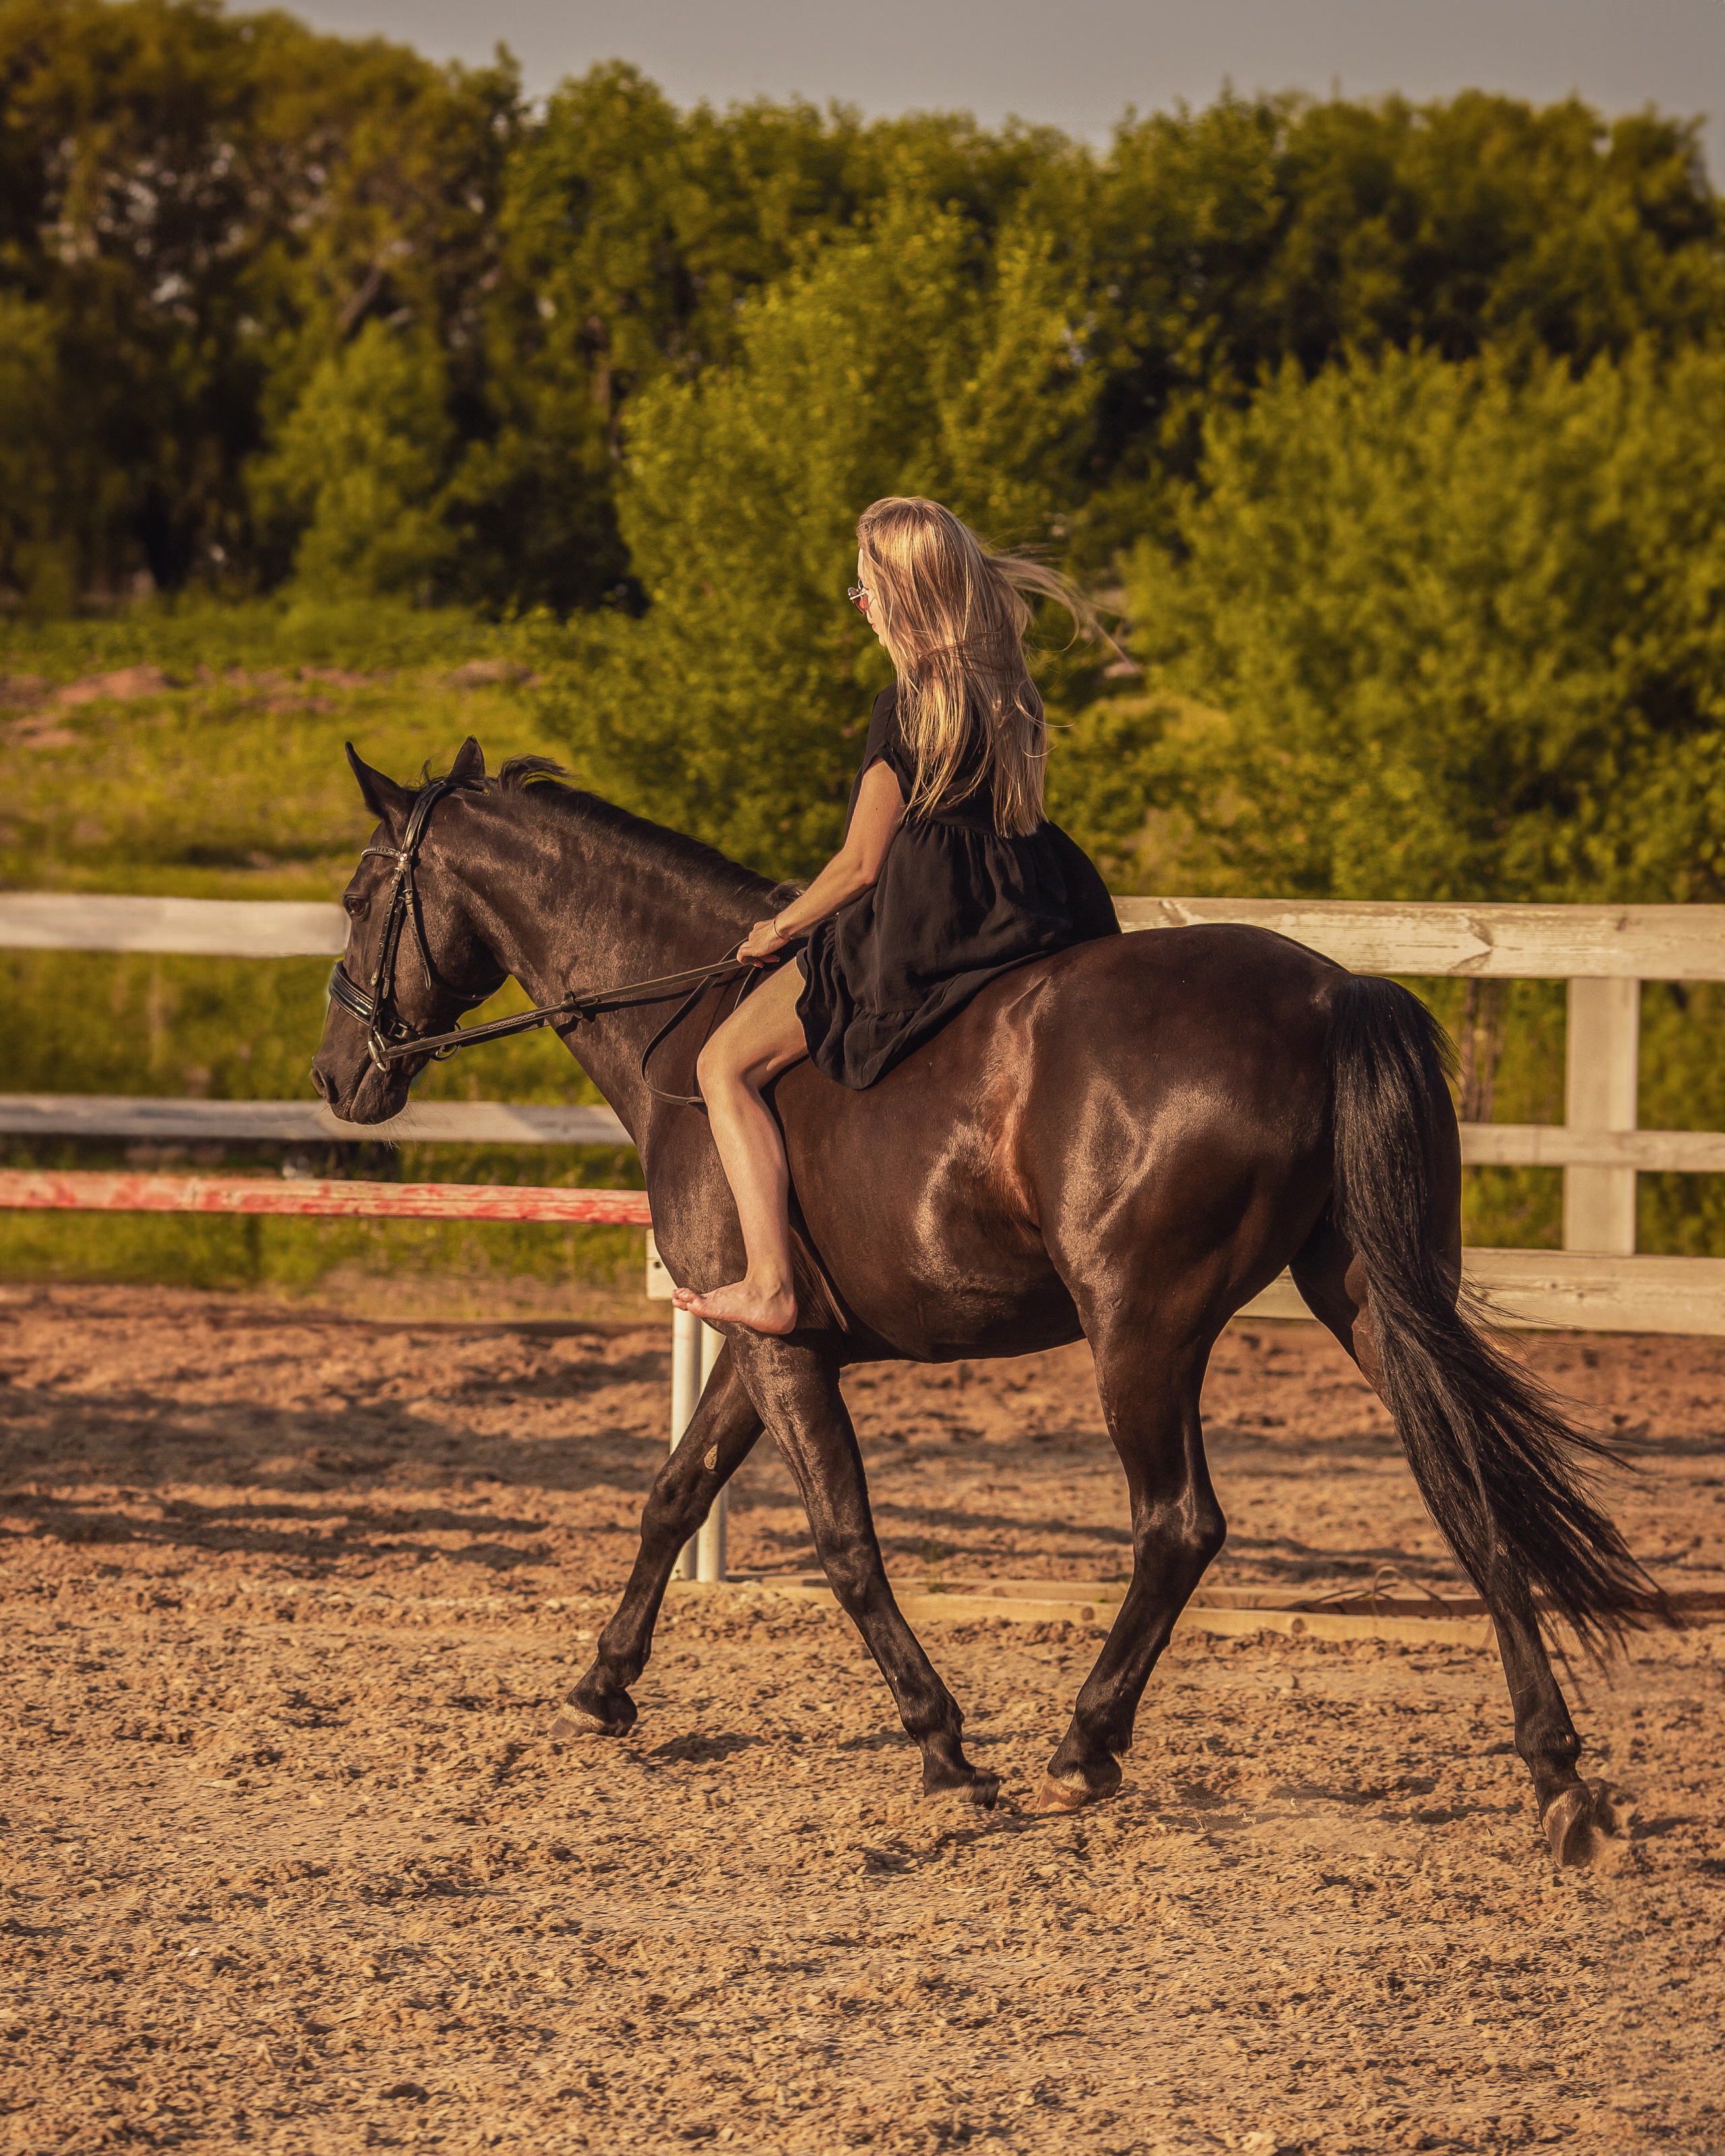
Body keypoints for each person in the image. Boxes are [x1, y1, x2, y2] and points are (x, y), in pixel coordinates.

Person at [671, 495, 1121, 1335]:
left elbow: (860, 865)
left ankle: (769, 1282)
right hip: (1025, 903)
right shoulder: (1009, 691)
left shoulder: (906, 702)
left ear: (903, 594)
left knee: (722, 1063)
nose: (862, 607)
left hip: (925, 920)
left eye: (865, 589)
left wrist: (778, 929)